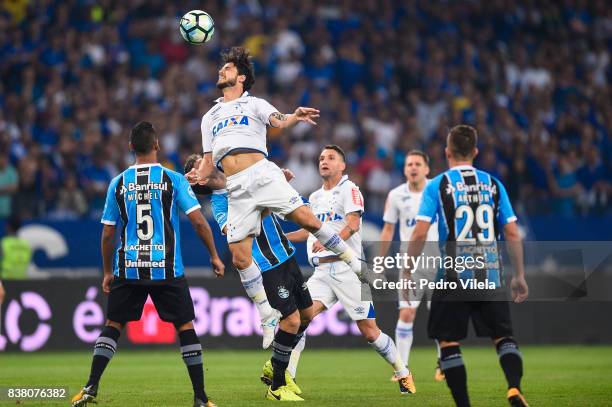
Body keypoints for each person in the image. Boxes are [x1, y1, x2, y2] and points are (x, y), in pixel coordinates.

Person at [188, 46, 363, 350]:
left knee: (307, 219)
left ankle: (352, 261)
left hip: (262, 173)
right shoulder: (210, 116)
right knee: (240, 256)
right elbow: (206, 159)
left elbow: (278, 121)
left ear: (241, 77)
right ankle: (267, 315)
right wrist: (197, 176)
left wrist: (294, 116)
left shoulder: (254, 103)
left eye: (228, 69)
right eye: (222, 69)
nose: (222, 72)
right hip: (236, 185)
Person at [71, 122, 224, 407]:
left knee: (113, 324)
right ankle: (201, 398)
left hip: (127, 267)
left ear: (131, 147)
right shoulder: (172, 179)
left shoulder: (117, 182)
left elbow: (107, 233)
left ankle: (91, 386)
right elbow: (199, 221)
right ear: (157, 145)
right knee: (185, 326)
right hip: (166, 268)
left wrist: (107, 271)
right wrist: (214, 255)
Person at [406, 125, 529, 407]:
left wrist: (407, 269)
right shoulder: (495, 184)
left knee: (448, 342)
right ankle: (513, 387)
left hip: (452, 276)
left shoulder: (437, 185)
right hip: (490, 275)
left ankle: (464, 404)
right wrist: (519, 275)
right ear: (475, 152)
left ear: (447, 152)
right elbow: (512, 232)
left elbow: (421, 232)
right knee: (503, 337)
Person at [287, 145, 416, 395]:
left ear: (342, 165)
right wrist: (283, 237)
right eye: (322, 157)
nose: (324, 161)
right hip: (321, 272)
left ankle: (402, 372)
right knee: (300, 318)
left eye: (331, 158)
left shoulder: (350, 189)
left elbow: (353, 225)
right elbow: (308, 231)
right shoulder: (314, 198)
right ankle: (287, 377)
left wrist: (329, 241)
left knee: (370, 332)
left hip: (349, 270)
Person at [185, 153, 314, 401]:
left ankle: (275, 362)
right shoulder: (220, 205)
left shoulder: (241, 176)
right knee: (291, 321)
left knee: (307, 315)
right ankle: (276, 387)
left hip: (286, 256)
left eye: (203, 160)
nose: (205, 162)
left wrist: (277, 186)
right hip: (266, 266)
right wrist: (272, 196)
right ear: (198, 180)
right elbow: (241, 229)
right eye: (198, 164)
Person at [379, 150, 444, 382]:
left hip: (439, 261)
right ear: (405, 169)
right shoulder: (396, 195)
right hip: (410, 263)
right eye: (409, 164)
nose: (413, 167)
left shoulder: (438, 191)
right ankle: (402, 367)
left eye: (418, 163)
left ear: (427, 168)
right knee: (407, 312)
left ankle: (443, 362)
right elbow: (388, 230)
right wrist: (381, 261)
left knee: (439, 313)